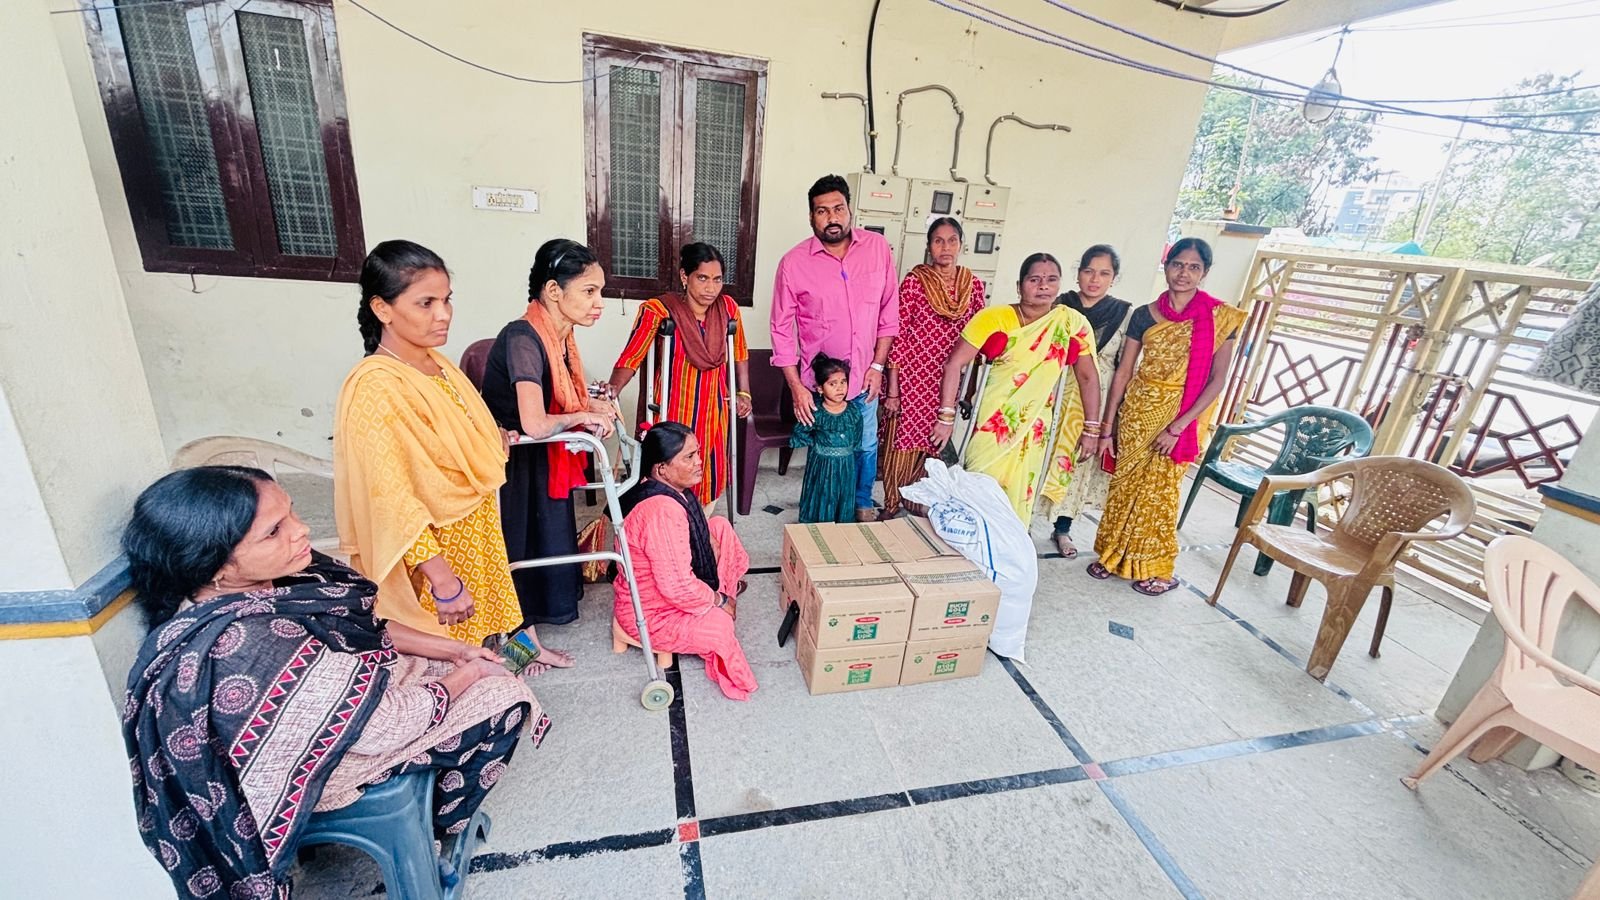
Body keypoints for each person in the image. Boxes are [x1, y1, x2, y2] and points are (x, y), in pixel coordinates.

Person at [121, 466, 546, 899]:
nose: (301, 530)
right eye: (274, 531)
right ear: (213, 566)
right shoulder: (248, 643)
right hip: (325, 764)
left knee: (478, 661)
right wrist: (471, 672)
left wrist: (454, 651)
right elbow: (388, 725)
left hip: (350, 706)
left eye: (292, 514)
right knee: (503, 694)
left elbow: (367, 627)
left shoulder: (267, 586)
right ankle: (439, 825)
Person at [334, 239, 565, 667]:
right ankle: (473, 715)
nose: (443, 315)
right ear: (382, 309)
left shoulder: (437, 364)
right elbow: (391, 497)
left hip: (475, 528)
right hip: (437, 553)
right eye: (425, 303)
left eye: (446, 300)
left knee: (494, 621)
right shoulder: (377, 386)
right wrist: (442, 580)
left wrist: (488, 435)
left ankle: (517, 668)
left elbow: (468, 430)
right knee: (452, 656)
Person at [1090, 237, 1249, 595]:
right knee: (1124, 488)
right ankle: (1114, 556)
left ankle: (1159, 569)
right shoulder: (1144, 314)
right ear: (1166, 266)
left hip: (1180, 415)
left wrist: (1178, 426)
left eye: (1194, 267)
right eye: (1178, 264)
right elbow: (1124, 371)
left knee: (1159, 497)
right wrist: (1108, 424)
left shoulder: (1220, 318)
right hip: (1137, 411)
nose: (1184, 273)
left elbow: (1217, 379)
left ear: (1204, 273)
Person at [480, 238, 617, 628]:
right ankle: (518, 634)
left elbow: (563, 399)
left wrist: (590, 406)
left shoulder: (561, 338)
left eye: (600, 291)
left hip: (540, 458)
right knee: (521, 546)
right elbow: (536, 423)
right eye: (589, 291)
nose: (599, 302)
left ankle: (539, 621)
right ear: (554, 290)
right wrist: (579, 417)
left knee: (550, 535)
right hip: (514, 464)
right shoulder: (524, 338)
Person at [931, 253, 1104, 523]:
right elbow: (955, 364)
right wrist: (946, 417)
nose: (1043, 286)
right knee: (979, 486)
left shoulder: (1071, 323)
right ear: (1019, 285)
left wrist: (1092, 428)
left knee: (1019, 496)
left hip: (1034, 426)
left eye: (1051, 280)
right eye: (1034, 279)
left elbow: (1088, 378)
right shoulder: (993, 317)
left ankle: (1008, 550)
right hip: (992, 420)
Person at [771, 174, 898, 522]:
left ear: (850, 210)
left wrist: (877, 367)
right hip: (821, 387)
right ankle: (827, 508)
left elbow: (889, 312)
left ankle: (860, 502)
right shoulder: (793, 264)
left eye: (838, 208)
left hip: (864, 380)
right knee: (826, 451)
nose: (832, 217)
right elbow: (781, 330)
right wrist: (797, 387)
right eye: (822, 211)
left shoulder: (877, 250)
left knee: (866, 444)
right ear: (811, 217)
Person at [615, 422, 757, 701]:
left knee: (719, 528)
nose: (699, 462)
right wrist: (719, 600)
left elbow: (696, 533)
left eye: (698, 453)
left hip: (670, 588)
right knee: (721, 626)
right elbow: (677, 587)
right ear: (661, 469)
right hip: (652, 612)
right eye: (689, 457)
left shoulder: (664, 486)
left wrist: (707, 541)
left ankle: (720, 594)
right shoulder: (661, 512)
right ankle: (722, 598)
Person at [607, 242, 752, 511]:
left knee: (709, 469)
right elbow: (632, 356)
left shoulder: (728, 308)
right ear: (685, 277)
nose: (711, 288)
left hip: (714, 409)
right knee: (671, 469)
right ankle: (669, 521)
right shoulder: (659, 310)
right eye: (702, 278)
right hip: (672, 411)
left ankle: (699, 523)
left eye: (717, 280)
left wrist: (744, 392)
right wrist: (611, 391)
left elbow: (740, 352)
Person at [879, 217, 987, 517]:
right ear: (929, 246)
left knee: (934, 444)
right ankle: (891, 503)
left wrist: (971, 388)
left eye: (952, 240)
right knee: (902, 442)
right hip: (913, 378)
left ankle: (921, 502)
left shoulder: (973, 287)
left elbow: (980, 340)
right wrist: (894, 390)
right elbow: (897, 337)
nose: (946, 247)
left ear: (961, 245)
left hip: (949, 380)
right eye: (938, 241)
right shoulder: (915, 283)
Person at [1048, 244, 1134, 557]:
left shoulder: (1124, 314)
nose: (1094, 279)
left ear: (1114, 277)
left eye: (1104, 273)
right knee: (1044, 458)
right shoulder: (1061, 305)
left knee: (1078, 463)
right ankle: (1026, 522)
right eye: (1088, 271)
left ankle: (1062, 529)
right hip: (1057, 393)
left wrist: (1109, 421)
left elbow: (1124, 368)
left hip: (1095, 398)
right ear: (1078, 272)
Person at [790, 354, 862, 524]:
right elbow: (800, 432)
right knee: (822, 498)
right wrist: (818, 446)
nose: (840, 388)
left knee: (843, 499)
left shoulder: (853, 411)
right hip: (821, 466)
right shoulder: (816, 411)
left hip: (846, 466)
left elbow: (857, 437)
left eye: (843, 382)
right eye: (832, 384)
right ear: (820, 388)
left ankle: (841, 535)